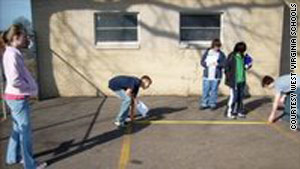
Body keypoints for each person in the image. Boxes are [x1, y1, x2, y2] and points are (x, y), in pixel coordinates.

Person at [1, 24, 47, 169]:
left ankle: (12, 157)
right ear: (15, 37)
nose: (27, 39)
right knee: (25, 134)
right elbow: (15, 80)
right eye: (24, 36)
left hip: (14, 97)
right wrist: (30, 88)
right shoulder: (12, 54)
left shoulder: (12, 52)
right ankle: (30, 165)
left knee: (17, 129)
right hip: (18, 99)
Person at [224, 42, 252, 119]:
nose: (242, 52)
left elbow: (243, 67)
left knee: (240, 97)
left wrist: (248, 66)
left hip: (242, 80)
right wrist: (230, 79)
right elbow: (226, 68)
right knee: (234, 97)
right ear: (238, 49)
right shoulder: (232, 56)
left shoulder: (243, 57)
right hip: (234, 81)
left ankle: (239, 111)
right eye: (241, 50)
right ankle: (229, 112)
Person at [200, 39, 226, 110]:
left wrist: (218, 64)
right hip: (207, 75)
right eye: (215, 46)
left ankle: (212, 104)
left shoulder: (221, 54)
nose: (217, 48)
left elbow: (224, 63)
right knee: (206, 89)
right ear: (213, 45)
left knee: (214, 90)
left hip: (216, 75)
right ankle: (204, 103)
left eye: (218, 46)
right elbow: (202, 62)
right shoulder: (207, 52)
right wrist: (207, 64)